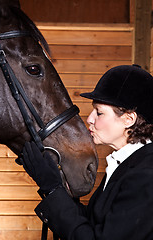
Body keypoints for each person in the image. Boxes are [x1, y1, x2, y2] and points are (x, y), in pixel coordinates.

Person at [21, 64, 153, 240]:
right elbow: (90, 224)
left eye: (99, 113)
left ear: (128, 119)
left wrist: (52, 189)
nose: (89, 119)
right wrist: (55, 184)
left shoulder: (146, 175)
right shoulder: (126, 165)